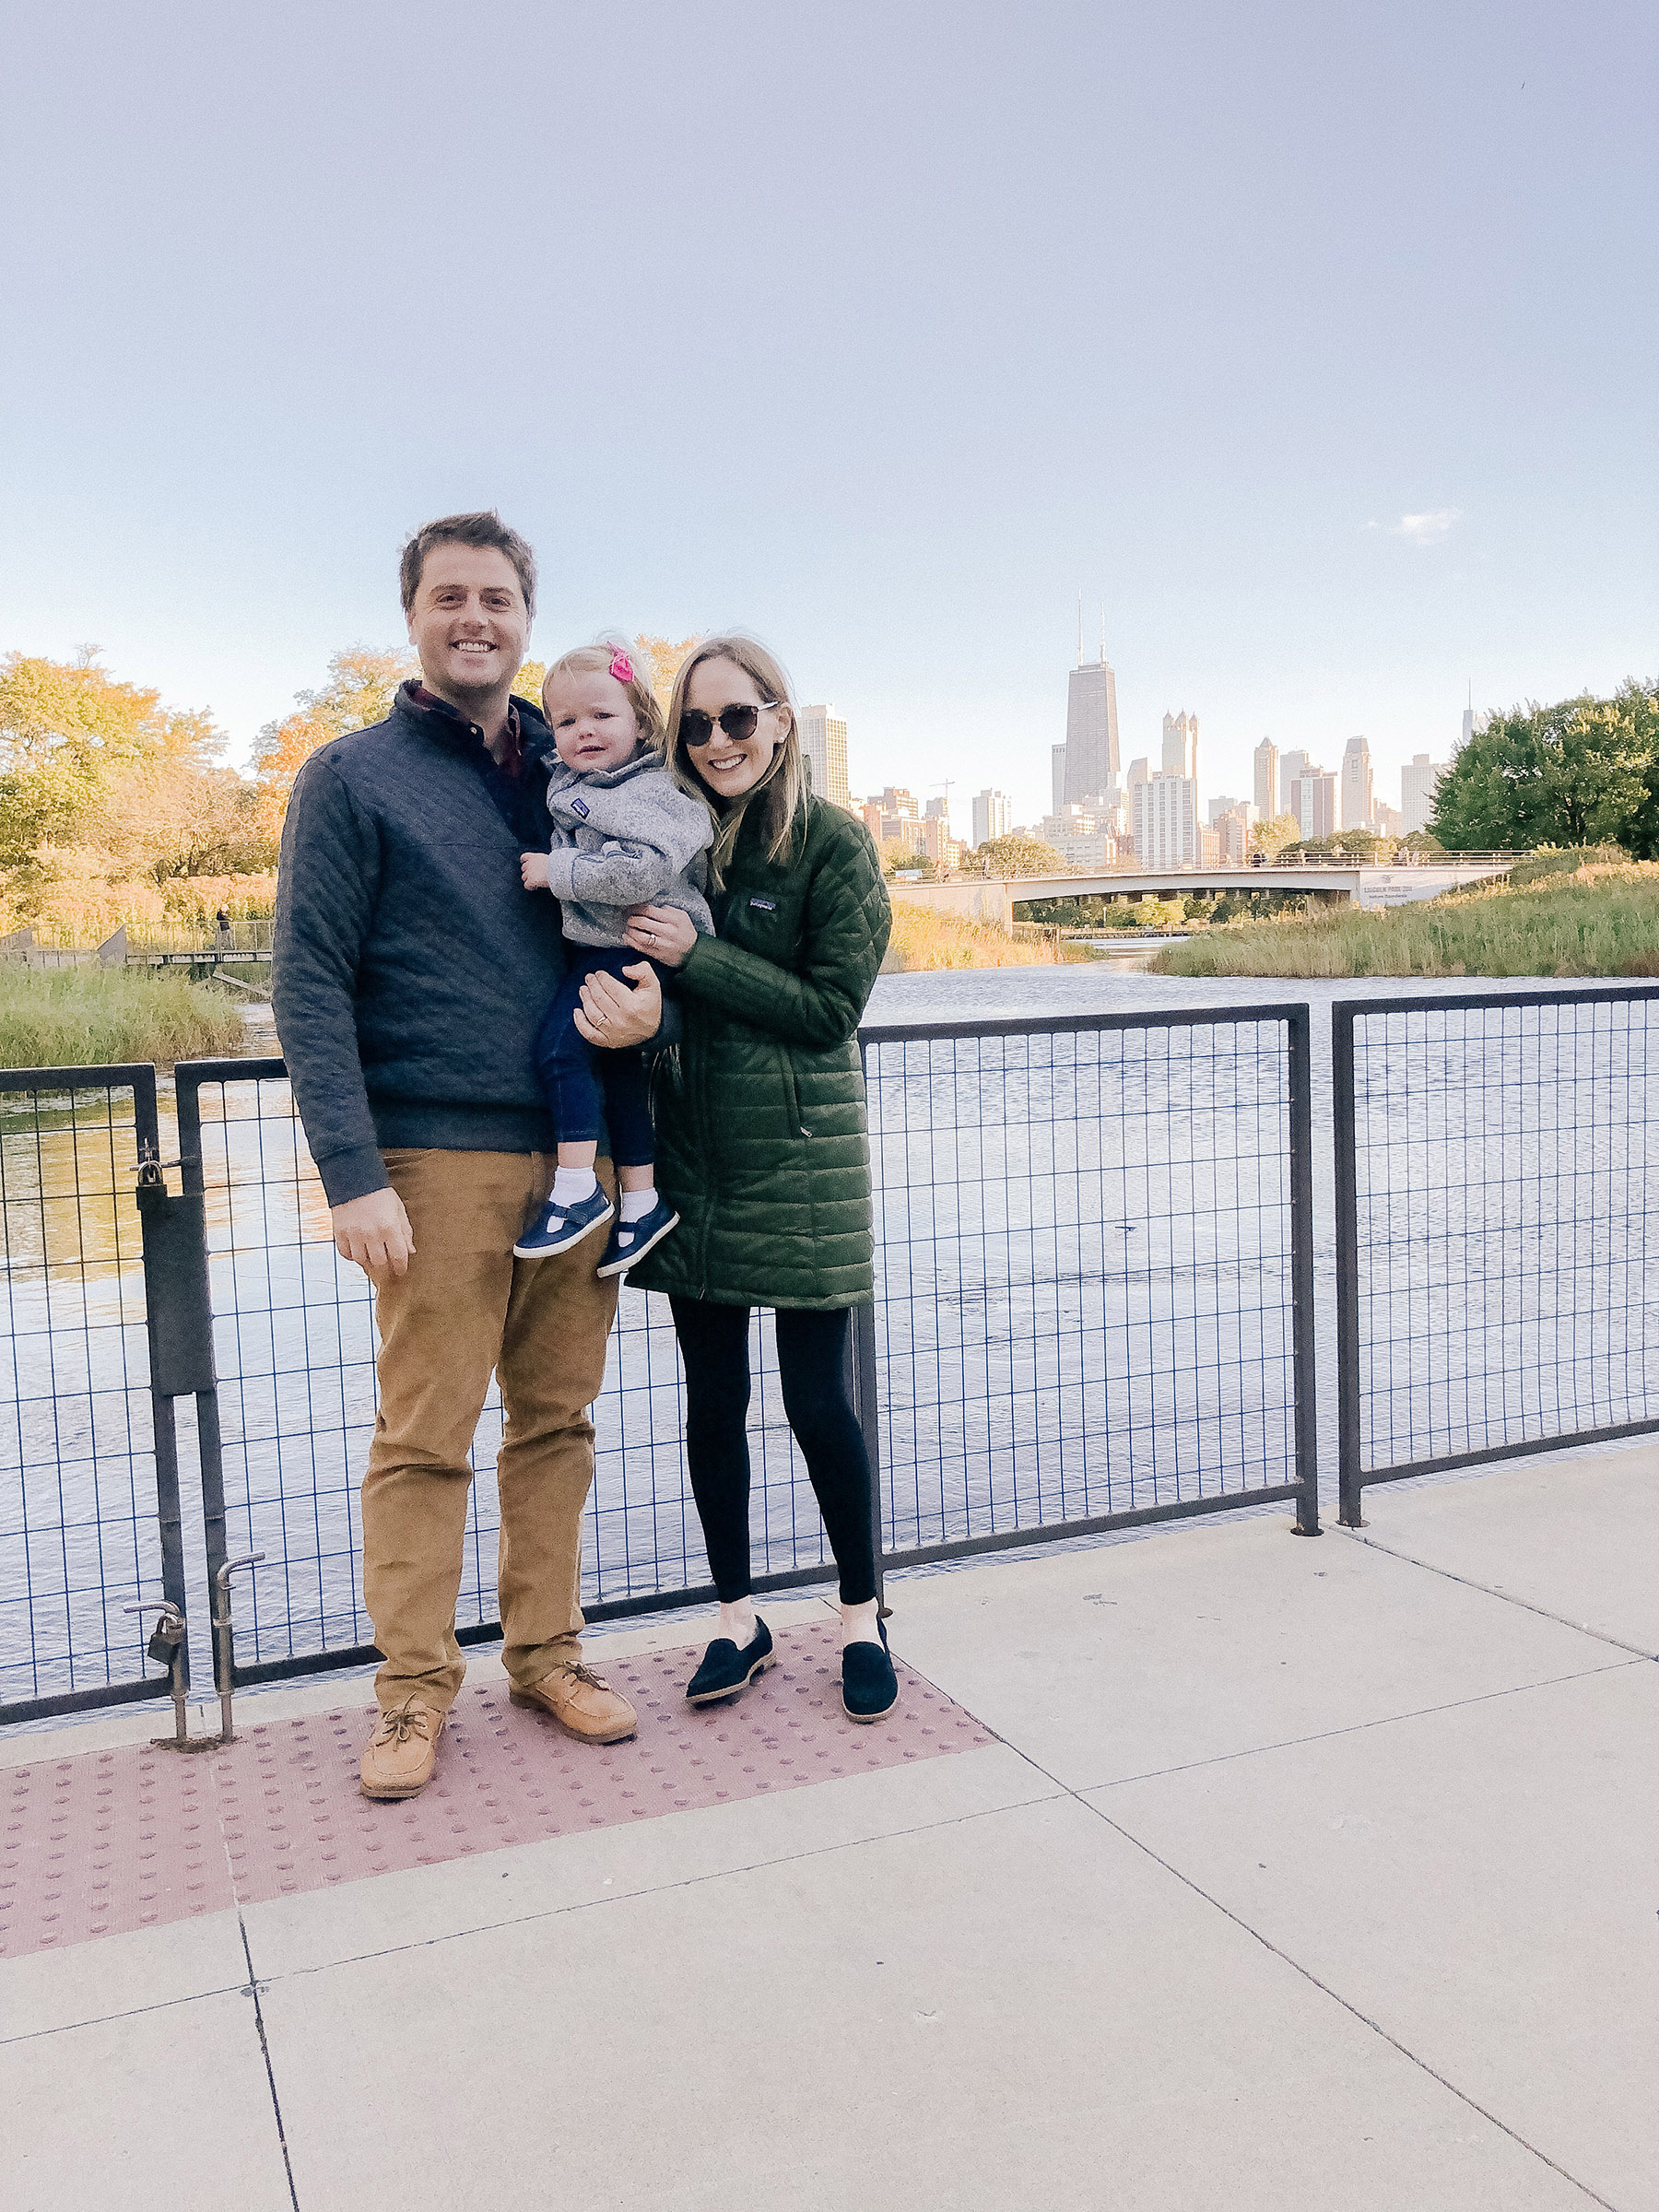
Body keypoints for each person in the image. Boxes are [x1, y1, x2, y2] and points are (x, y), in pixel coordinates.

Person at [273, 511, 661, 1803]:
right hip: (430, 1157)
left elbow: (653, 911)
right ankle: (411, 1693)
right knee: (423, 1437)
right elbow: (309, 982)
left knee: (557, 1424)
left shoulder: (583, 768)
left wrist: (654, 997)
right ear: (415, 617)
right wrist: (350, 1172)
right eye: (451, 597)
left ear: (526, 620)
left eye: (497, 598)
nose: (475, 618)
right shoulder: (351, 777)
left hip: (579, 1156)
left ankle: (547, 1656)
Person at [622, 635, 899, 1724]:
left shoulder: (832, 843)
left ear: (782, 721)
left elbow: (832, 1010)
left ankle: (863, 1613)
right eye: (694, 725)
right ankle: (737, 1617)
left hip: (799, 1165)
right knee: (712, 1403)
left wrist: (701, 962)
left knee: (819, 1400)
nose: (717, 741)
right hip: (693, 1155)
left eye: (737, 718)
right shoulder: (672, 841)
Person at [515, 638, 712, 1276]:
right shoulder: (579, 781)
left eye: (602, 716)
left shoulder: (651, 791)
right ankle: (643, 1202)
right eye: (567, 721)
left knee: (559, 1047)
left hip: (636, 947)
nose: (584, 732)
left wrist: (558, 870)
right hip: (606, 948)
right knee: (622, 1075)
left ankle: (576, 1191)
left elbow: (642, 871)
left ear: (642, 722)